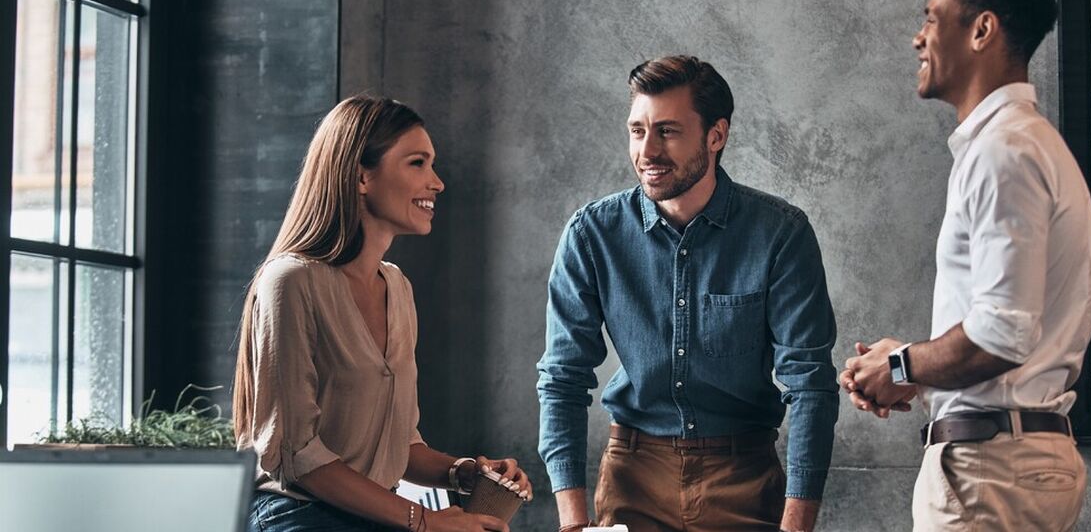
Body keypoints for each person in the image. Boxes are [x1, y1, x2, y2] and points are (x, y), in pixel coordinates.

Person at [842, 0, 1091, 532]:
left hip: (988, 475)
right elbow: (1006, 337)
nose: (917, 37)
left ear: (982, 30)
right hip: (1009, 466)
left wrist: (901, 367)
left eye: (931, 17)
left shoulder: (1002, 151)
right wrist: (910, 369)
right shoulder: (1027, 146)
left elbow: (1001, 336)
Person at [537, 55, 839, 532]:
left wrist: (796, 526)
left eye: (668, 131)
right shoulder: (592, 234)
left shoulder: (780, 234)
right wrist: (573, 523)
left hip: (744, 477)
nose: (648, 150)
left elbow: (811, 385)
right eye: (638, 131)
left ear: (716, 136)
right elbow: (563, 378)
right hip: (632, 476)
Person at [232, 95, 532, 532]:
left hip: (379, 516)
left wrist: (464, 472)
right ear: (360, 177)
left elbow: (400, 446)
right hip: (296, 517)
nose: (437, 182)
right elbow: (297, 455)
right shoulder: (291, 281)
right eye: (417, 163)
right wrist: (426, 522)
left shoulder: (397, 287)